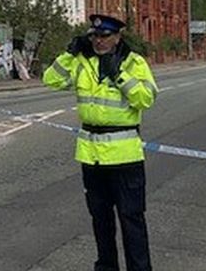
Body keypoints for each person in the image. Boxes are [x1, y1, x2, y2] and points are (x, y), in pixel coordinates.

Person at [43, 14, 158, 271]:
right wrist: (69, 54)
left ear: (117, 37)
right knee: (100, 220)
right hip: (91, 156)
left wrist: (119, 76)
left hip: (124, 157)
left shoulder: (133, 62)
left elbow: (146, 98)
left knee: (132, 220)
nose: (98, 41)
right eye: (94, 36)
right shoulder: (82, 62)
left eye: (105, 36)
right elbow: (51, 79)